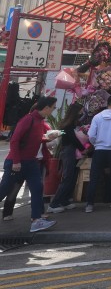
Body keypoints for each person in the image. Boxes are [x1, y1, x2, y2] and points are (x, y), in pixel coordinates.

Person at [0, 96, 57, 232]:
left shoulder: (38, 120)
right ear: (46, 107)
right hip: (19, 162)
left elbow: (35, 139)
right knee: (3, 190)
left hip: (31, 162)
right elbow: (14, 140)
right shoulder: (29, 119)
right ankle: (36, 220)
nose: (54, 110)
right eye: (53, 107)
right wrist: (16, 161)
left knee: (37, 189)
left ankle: (36, 220)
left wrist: (47, 138)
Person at [47, 102, 86, 213]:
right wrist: (83, 149)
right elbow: (73, 139)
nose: (82, 113)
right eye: (80, 111)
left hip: (73, 151)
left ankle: (64, 200)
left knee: (73, 177)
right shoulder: (68, 125)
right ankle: (54, 204)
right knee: (68, 177)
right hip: (69, 151)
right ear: (75, 112)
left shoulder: (72, 124)